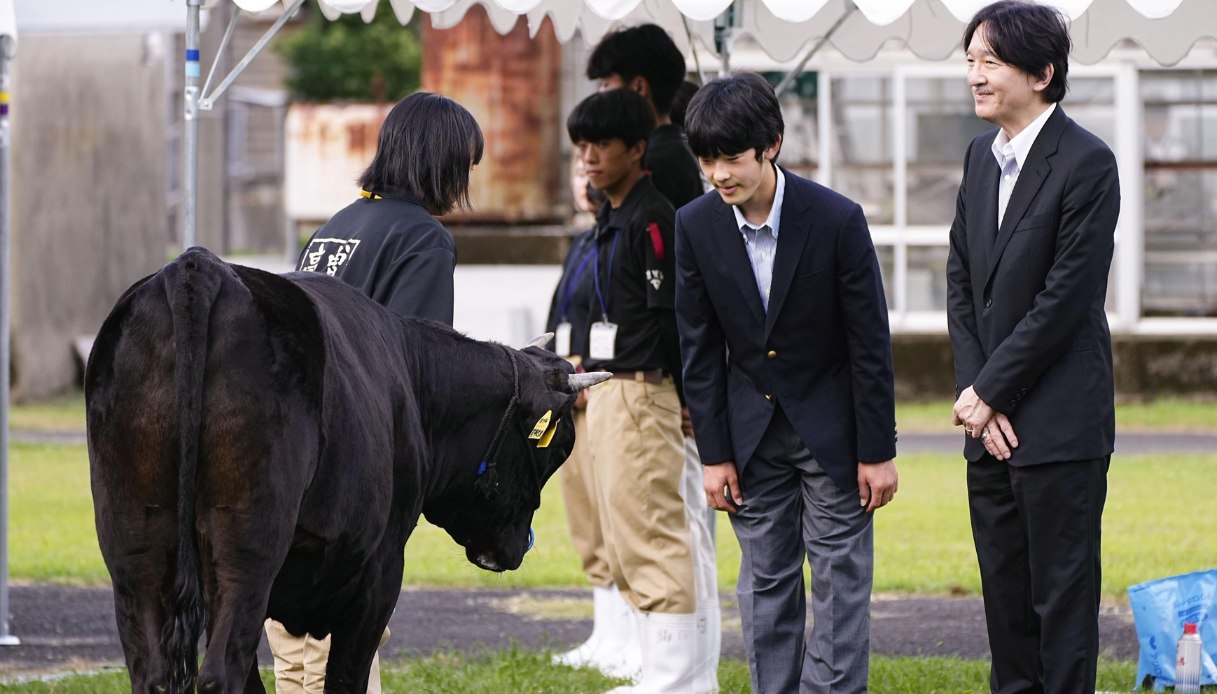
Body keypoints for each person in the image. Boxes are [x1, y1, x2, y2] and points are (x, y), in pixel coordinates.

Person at [676, 72, 899, 694]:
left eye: (731, 158)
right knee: (765, 582)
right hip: (748, 439)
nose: (718, 174)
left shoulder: (837, 219)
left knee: (838, 581)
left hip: (833, 434)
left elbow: (869, 344)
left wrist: (877, 451)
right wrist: (714, 455)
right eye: (706, 160)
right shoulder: (695, 225)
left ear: (771, 145)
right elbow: (699, 348)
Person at [274, 90, 484, 694]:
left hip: (289, 459)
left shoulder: (334, 227)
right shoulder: (423, 239)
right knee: (345, 649)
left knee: (294, 649)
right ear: (437, 159)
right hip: (351, 470)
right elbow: (414, 366)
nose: (465, 183)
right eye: (464, 165)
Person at [946, 3, 1120, 693]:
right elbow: (961, 280)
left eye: (989, 62)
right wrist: (976, 400)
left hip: (1056, 424)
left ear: (1042, 72)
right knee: (1004, 607)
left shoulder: (1086, 163)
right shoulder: (978, 158)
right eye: (969, 61)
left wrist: (990, 392)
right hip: (986, 427)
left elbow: (1064, 299)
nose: (974, 77)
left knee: (1061, 607)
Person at [569, 87, 717, 693]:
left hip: (639, 389)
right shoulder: (611, 219)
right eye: (581, 146)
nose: (589, 158)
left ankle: (678, 680)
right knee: (627, 535)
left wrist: (688, 394)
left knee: (654, 534)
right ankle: (664, 672)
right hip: (605, 390)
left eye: (602, 144)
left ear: (637, 149)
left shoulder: (653, 216)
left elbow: (673, 316)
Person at [587, 24, 704, 210]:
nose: (601, 94)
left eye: (606, 84)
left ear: (639, 87)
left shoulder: (652, 163)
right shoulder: (670, 151)